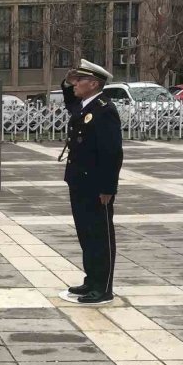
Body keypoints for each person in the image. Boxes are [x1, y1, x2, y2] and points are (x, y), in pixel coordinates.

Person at [61, 60, 124, 304]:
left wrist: (108, 187)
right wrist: (68, 82)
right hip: (79, 181)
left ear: (94, 84)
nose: (75, 84)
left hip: (97, 185)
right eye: (74, 80)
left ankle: (103, 287)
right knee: (86, 234)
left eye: (79, 80)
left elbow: (112, 152)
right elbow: (71, 103)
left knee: (100, 235)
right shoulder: (85, 106)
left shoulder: (104, 109)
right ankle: (91, 280)